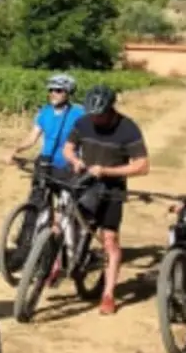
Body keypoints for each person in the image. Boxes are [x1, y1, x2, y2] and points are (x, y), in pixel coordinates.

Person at [63, 84, 150, 316]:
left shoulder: (128, 128)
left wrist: (108, 171)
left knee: (109, 240)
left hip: (112, 190)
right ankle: (54, 264)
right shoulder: (83, 123)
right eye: (92, 114)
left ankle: (109, 294)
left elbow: (142, 165)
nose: (96, 119)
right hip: (85, 184)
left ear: (111, 109)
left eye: (100, 115)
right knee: (68, 222)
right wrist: (75, 160)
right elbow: (68, 148)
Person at [6, 73, 84, 172]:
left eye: (58, 90)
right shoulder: (44, 112)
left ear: (68, 93)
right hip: (45, 162)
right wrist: (15, 150)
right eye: (51, 90)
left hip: (68, 165)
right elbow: (32, 138)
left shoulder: (79, 113)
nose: (53, 94)